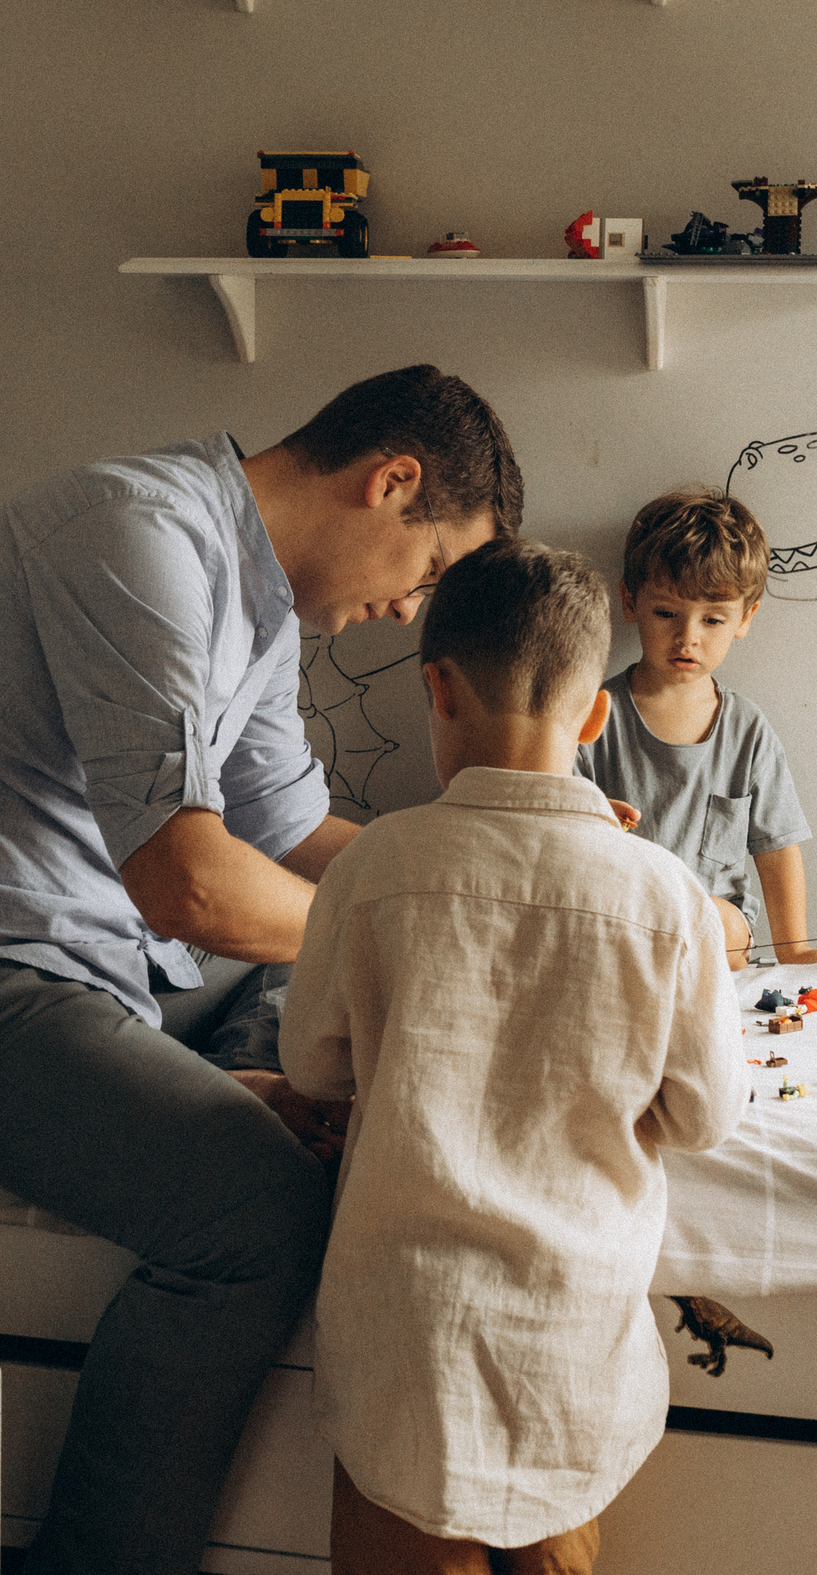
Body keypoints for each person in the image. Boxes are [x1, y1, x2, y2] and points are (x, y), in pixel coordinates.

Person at [0, 365, 521, 1575]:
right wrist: (427, 938)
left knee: (313, 1022)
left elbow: (297, 841)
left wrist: (507, 878)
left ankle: (221, 1094)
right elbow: (191, 887)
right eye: (427, 570)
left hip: (103, 977)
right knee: (259, 1209)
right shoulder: (135, 536)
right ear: (392, 483)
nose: (408, 611)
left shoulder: (263, 606)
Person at [279, 539, 750, 1575]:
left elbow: (311, 1067)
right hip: (567, 1335)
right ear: (595, 716)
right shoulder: (665, 895)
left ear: (436, 688)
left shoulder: (376, 866)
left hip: (405, 1332)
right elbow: (708, 1115)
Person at [577, 489, 817, 966]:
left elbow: (777, 849)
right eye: (666, 613)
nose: (688, 637)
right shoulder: (592, 715)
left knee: (716, 920)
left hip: (720, 935)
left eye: (714, 619)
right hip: (623, 924)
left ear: (745, 619)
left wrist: (795, 949)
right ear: (630, 601)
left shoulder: (747, 730)